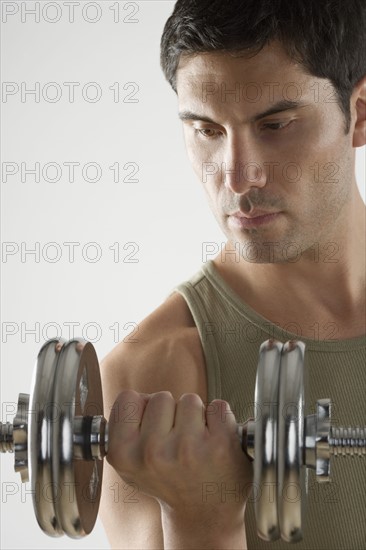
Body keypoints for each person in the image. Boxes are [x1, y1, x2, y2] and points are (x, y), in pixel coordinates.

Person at [99, 1, 366, 548]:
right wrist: (202, 520)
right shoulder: (148, 379)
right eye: (206, 130)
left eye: (274, 125)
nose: (238, 177)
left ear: (359, 113)